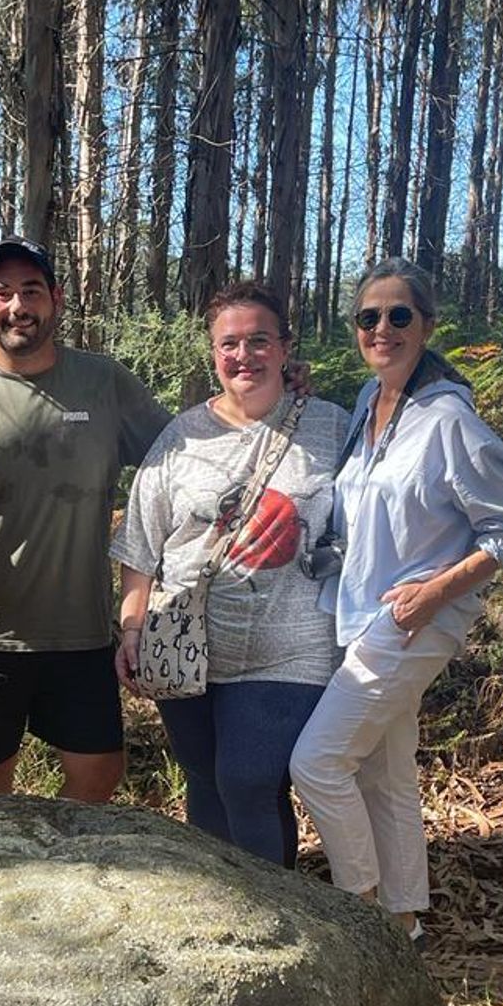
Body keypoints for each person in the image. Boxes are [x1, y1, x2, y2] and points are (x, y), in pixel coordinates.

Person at [290, 257, 503, 938]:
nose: (383, 328)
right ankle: (403, 923)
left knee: (315, 762)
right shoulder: (370, 408)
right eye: (369, 317)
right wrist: (296, 385)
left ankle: (361, 910)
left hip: (409, 623)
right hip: (361, 611)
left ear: (426, 325)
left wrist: (438, 590)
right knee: (384, 771)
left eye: (399, 315)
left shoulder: (447, 419)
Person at [0, 237, 172, 803]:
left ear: (55, 299)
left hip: (78, 629)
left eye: (31, 291)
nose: (17, 306)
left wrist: (264, 399)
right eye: (2, 293)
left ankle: (62, 877)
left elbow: (183, 453)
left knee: (100, 771)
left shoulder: (103, 384)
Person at [111, 281, 349, 868]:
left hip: (292, 647)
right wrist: (132, 629)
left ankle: (276, 913)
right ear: (213, 353)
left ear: (286, 348)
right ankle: (220, 909)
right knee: (204, 778)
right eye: (230, 344)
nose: (244, 356)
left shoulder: (334, 427)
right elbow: (141, 544)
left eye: (260, 340)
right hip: (188, 640)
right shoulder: (182, 437)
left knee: (248, 778)